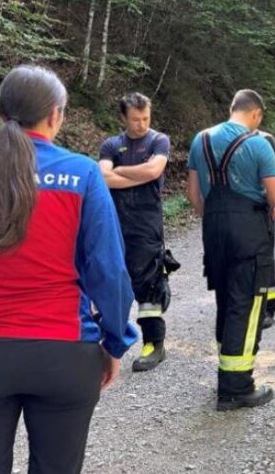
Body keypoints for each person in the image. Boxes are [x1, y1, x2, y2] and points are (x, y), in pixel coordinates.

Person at [0, 65, 137, 474]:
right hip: (65, 355)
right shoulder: (81, 174)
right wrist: (115, 341)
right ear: (56, 115)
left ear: (0, 112)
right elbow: (109, 272)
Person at [187, 89, 275, 410]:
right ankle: (236, 387)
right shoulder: (258, 144)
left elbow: (193, 196)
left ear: (233, 109)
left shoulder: (199, 140)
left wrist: (215, 216)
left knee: (225, 300)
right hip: (248, 232)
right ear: (256, 114)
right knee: (247, 304)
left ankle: (225, 373)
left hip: (213, 230)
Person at [99, 93, 172, 372]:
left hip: (146, 223)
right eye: (135, 119)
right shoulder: (111, 144)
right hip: (115, 221)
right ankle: (108, 344)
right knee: (111, 281)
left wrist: (120, 173)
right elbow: (102, 176)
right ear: (123, 118)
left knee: (148, 283)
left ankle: (154, 343)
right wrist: (136, 174)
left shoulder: (158, 140)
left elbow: (154, 171)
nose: (141, 124)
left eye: (145, 119)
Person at [257, 129, 275, 329]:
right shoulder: (229, 137)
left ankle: (268, 307)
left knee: (264, 255)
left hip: (262, 205)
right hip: (237, 207)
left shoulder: (266, 139)